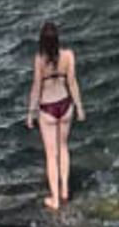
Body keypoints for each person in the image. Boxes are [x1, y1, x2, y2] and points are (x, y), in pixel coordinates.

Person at [25, 16, 84, 211]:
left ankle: (55, 199)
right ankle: (65, 190)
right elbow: (72, 83)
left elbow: (36, 87)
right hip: (66, 105)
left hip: (48, 109)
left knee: (51, 155)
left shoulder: (40, 60)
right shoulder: (68, 56)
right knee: (64, 148)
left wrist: (31, 113)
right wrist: (79, 107)